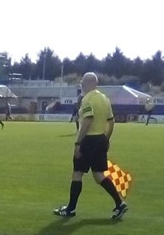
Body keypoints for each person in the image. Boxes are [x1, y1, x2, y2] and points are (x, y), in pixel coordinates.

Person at [54, 72, 128, 219]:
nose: (81, 84)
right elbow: (111, 121)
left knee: (77, 173)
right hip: (100, 138)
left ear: (87, 83)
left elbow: (88, 120)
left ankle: (70, 209)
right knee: (99, 175)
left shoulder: (87, 99)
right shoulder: (104, 99)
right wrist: (106, 139)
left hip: (88, 140)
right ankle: (120, 203)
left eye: (82, 82)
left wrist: (78, 143)